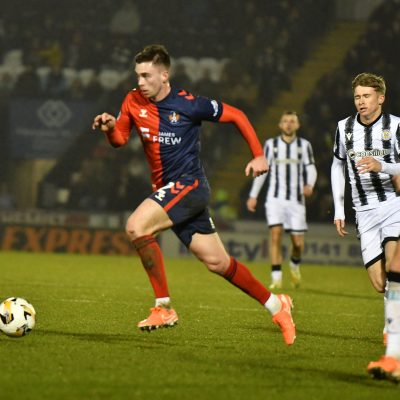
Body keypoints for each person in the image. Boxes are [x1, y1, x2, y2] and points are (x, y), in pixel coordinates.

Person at [92, 44, 296, 345]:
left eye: (147, 76)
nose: (140, 82)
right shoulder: (133, 100)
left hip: (190, 186)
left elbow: (237, 115)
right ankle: (278, 306)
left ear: (164, 75)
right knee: (218, 263)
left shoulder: (189, 104)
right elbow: (120, 140)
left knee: (136, 226)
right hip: (170, 193)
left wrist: (258, 155)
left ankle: (164, 307)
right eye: (138, 75)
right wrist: (110, 128)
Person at [330, 72, 400, 377]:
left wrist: (382, 165)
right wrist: (339, 209)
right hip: (364, 212)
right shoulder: (343, 128)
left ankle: (391, 334)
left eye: (366, 96)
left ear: (380, 98)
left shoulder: (395, 126)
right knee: (379, 283)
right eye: (357, 96)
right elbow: (337, 165)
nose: (361, 101)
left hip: (394, 206)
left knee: (395, 269)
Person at [246, 111, 317, 289]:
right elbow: (263, 170)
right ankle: (276, 278)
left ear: (297, 125)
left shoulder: (304, 145)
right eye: (285, 121)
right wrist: (253, 195)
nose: (288, 124)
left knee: (298, 244)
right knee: (275, 235)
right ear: (280, 125)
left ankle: (294, 263)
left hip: (296, 200)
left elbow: (311, 168)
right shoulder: (271, 145)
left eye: (292, 121)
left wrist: (310, 184)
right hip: (275, 199)